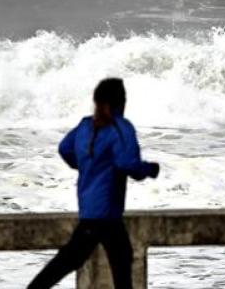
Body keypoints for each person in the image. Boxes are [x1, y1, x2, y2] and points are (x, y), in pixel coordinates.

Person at [27, 78, 160, 289]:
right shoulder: (120, 128)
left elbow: (65, 148)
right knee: (72, 260)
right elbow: (127, 163)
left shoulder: (85, 126)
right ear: (122, 102)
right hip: (105, 214)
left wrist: (86, 166)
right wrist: (149, 170)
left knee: (114, 259)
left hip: (91, 210)